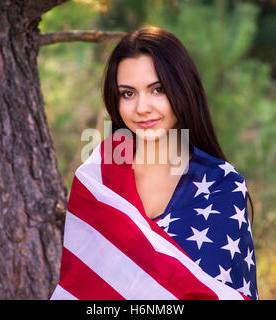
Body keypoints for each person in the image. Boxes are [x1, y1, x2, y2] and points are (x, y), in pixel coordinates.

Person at [50, 26, 258, 300]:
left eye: (157, 89)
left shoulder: (222, 186)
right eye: (128, 93)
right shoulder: (97, 180)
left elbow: (220, 292)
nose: (142, 108)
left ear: (182, 88)